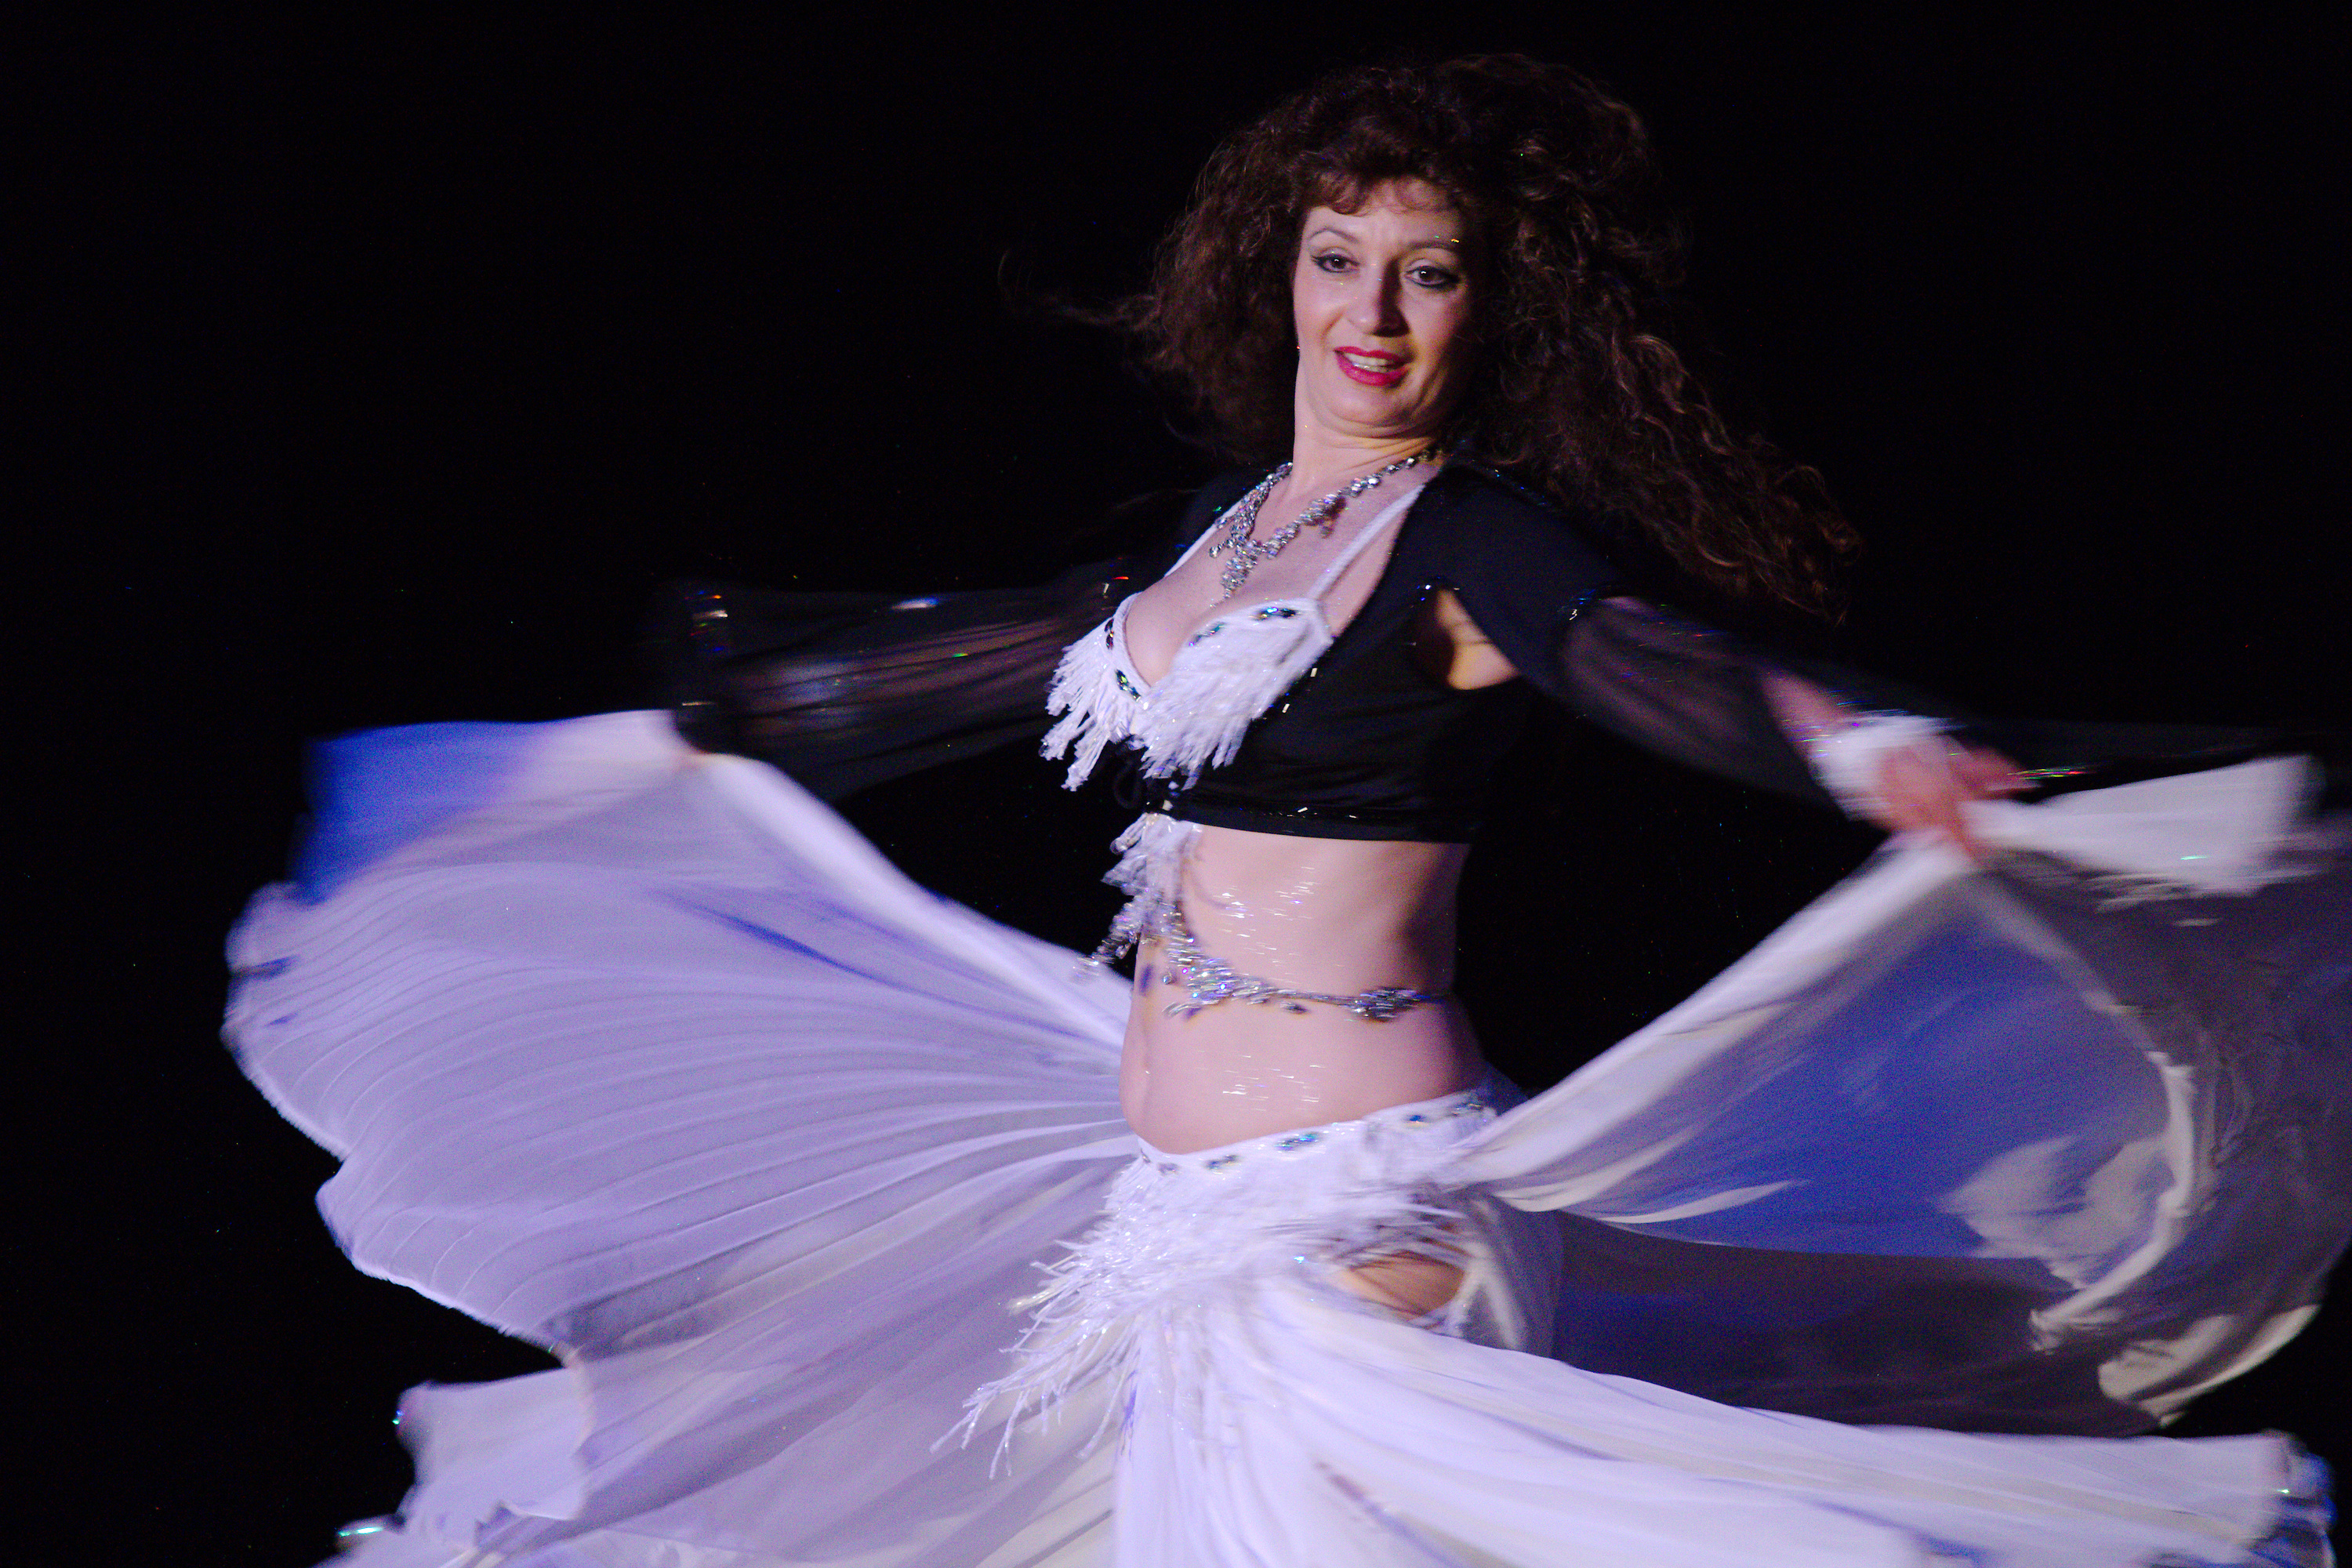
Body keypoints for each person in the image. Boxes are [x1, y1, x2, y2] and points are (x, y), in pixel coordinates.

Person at [230, 56, 2347, 1566]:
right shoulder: (1217, 533)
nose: (1377, 314)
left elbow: (1649, 657)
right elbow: (988, 659)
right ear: (1284, 274)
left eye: (1430, 271)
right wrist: (703, 717)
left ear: (1492, 303)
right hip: (1151, 1198)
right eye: (1344, 260)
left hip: (1358, 1220)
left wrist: (1852, 746)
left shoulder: (1478, 541)